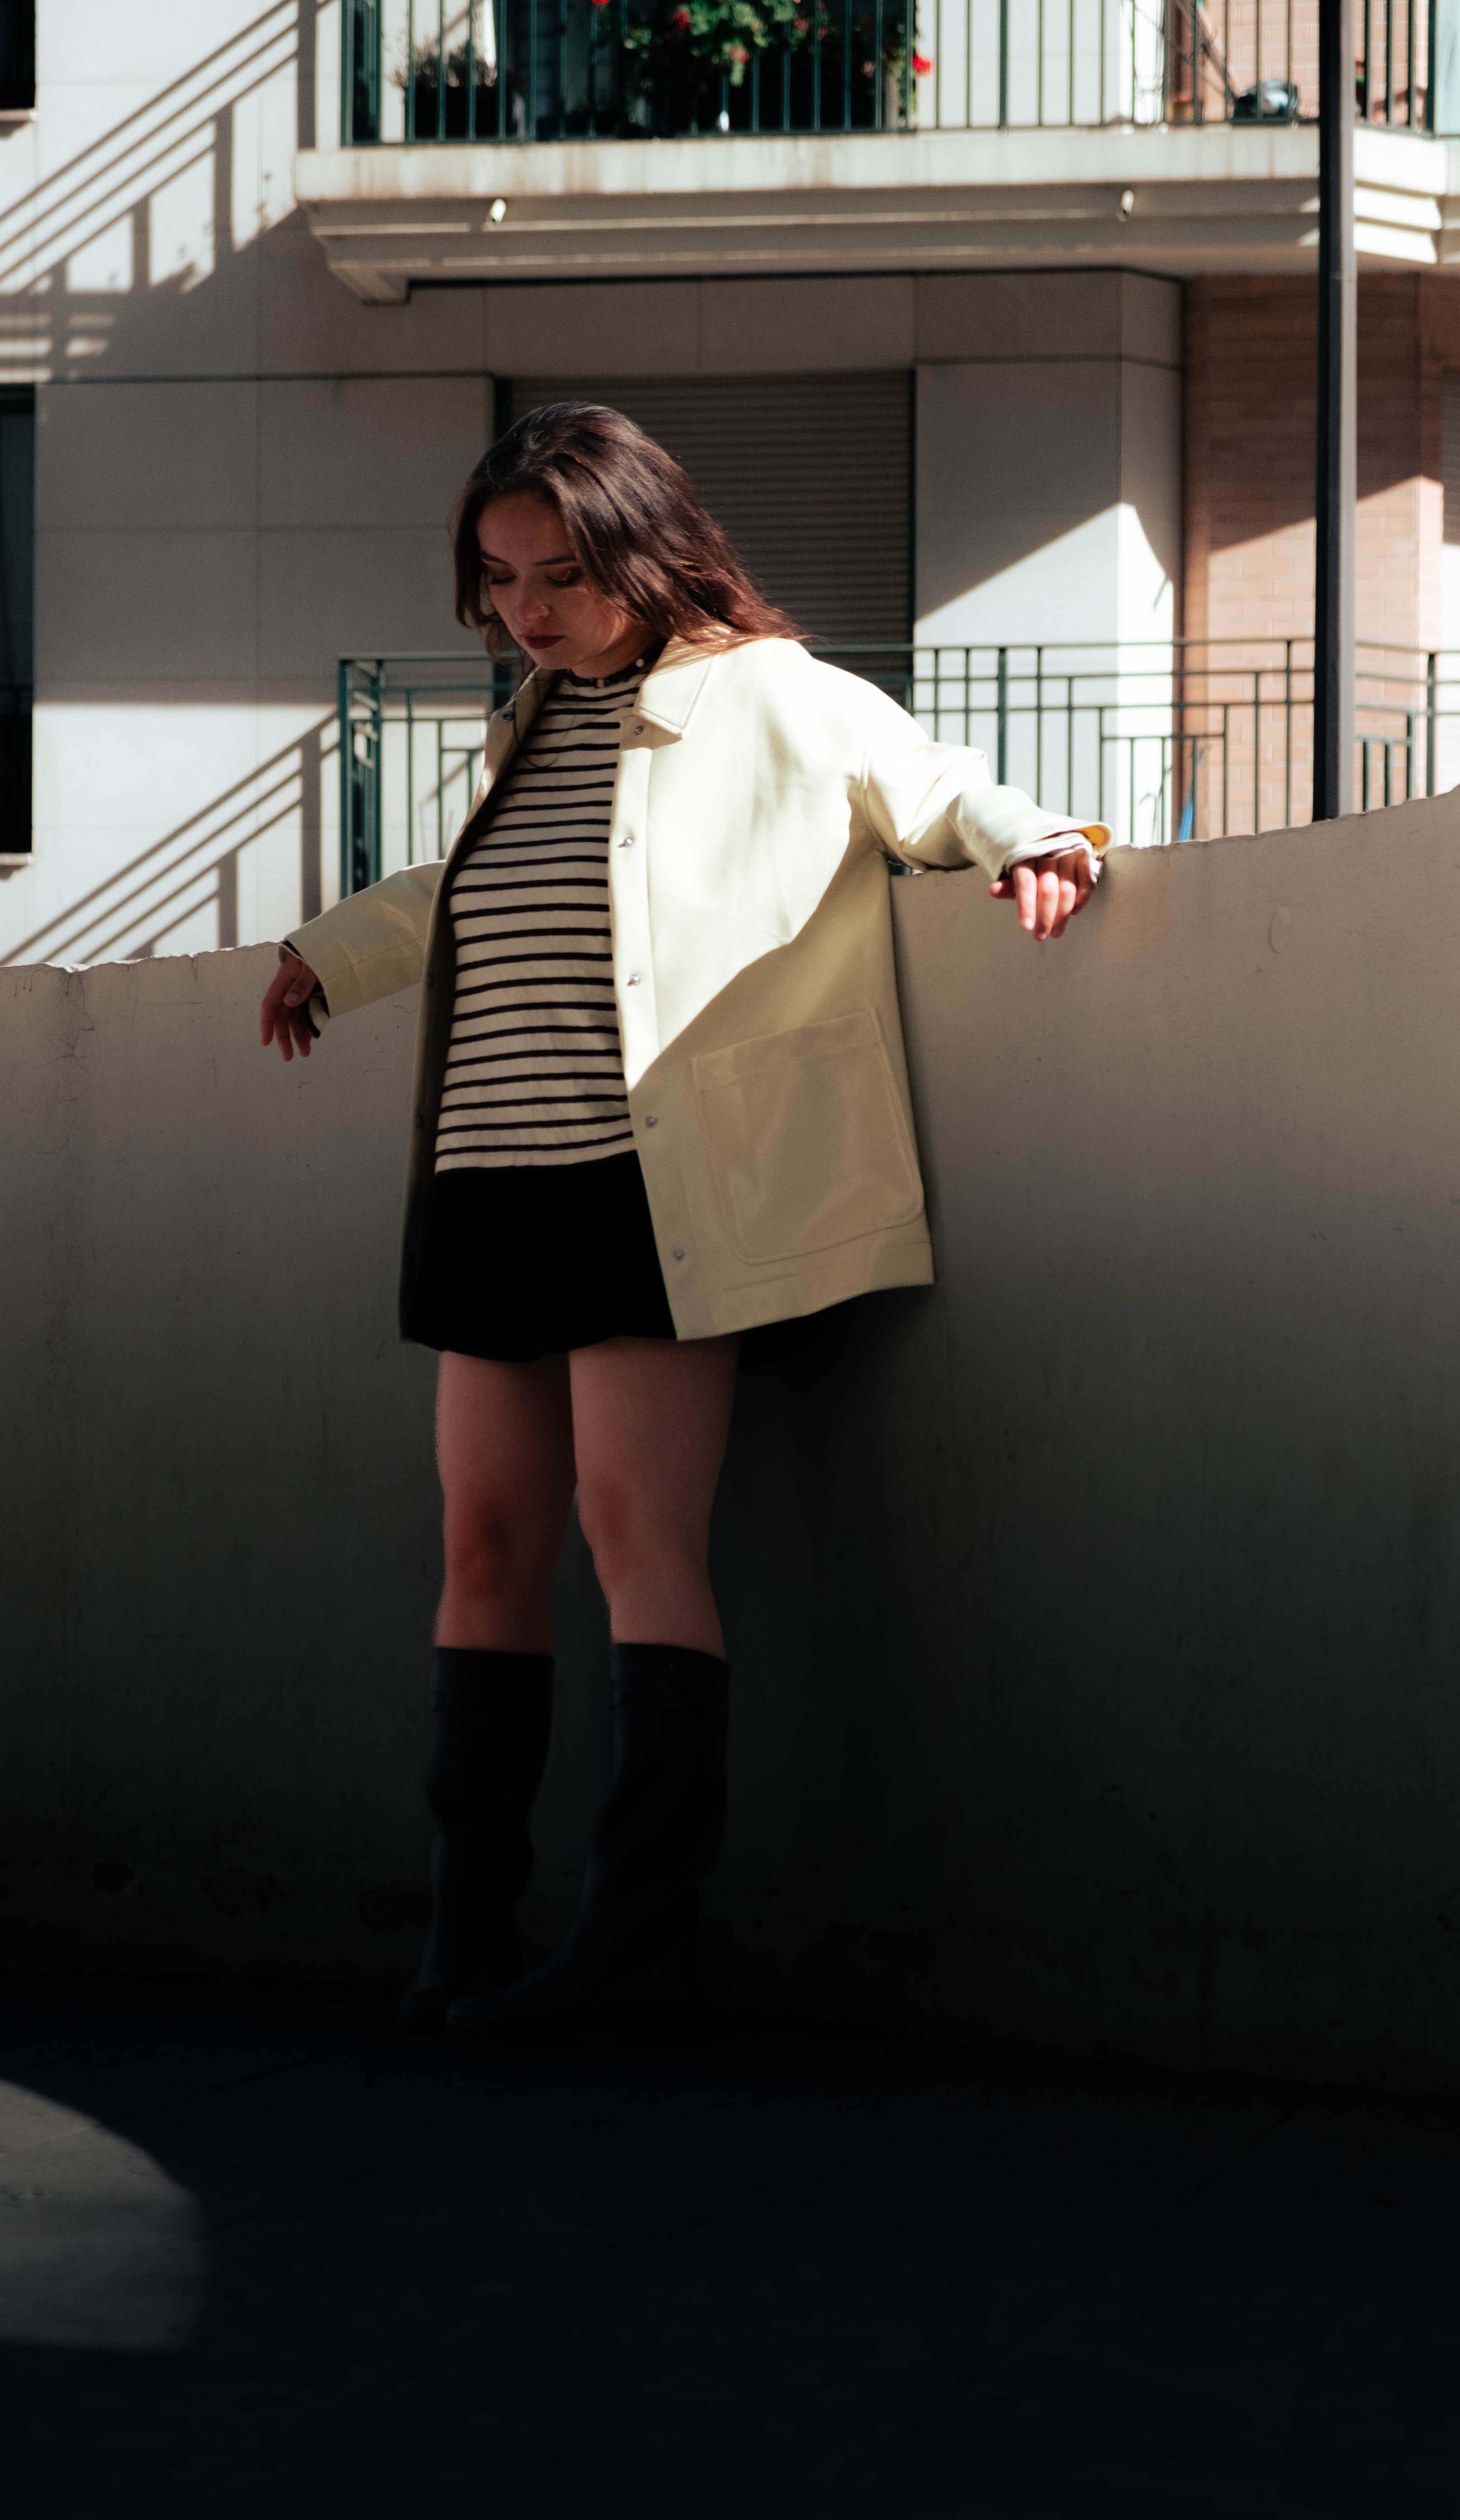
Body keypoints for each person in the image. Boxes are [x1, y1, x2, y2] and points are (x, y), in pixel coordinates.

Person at [259, 402, 1103, 2040]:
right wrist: (328, 953)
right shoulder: (530, 726)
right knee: (482, 1548)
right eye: (499, 580)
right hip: (489, 1183)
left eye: (561, 576)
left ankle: (631, 1948)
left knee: (633, 1536)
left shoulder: (768, 695)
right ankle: (468, 1934)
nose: (527, 611)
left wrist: (1037, 841)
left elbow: (924, 785)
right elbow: (473, 893)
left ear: (645, 552)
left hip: (647, 1191)